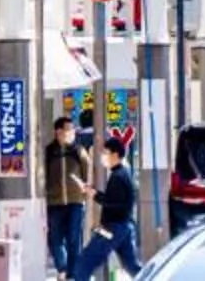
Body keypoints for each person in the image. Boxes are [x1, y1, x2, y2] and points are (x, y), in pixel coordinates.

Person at [71, 135, 141, 281]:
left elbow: (112, 202)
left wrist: (93, 193)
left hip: (112, 228)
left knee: (84, 263)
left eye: (105, 153)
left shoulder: (118, 176)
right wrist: (94, 193)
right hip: (123, 226)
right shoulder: (124, 174)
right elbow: (115, 201)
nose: (103, 156)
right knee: (132, 267)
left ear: (115, 154)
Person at [42, 112, 93, 278]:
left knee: (73, 239)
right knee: (54, 239)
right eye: (68, 130)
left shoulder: (78, 151)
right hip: (54, 203)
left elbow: (88, 172)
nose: (72, 133)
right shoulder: (48, 152)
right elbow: (42, 176)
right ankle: (62, 268)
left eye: (72, 130)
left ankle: (72, 274)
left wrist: (84, 193)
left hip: (75, 202)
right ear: (58, 132)